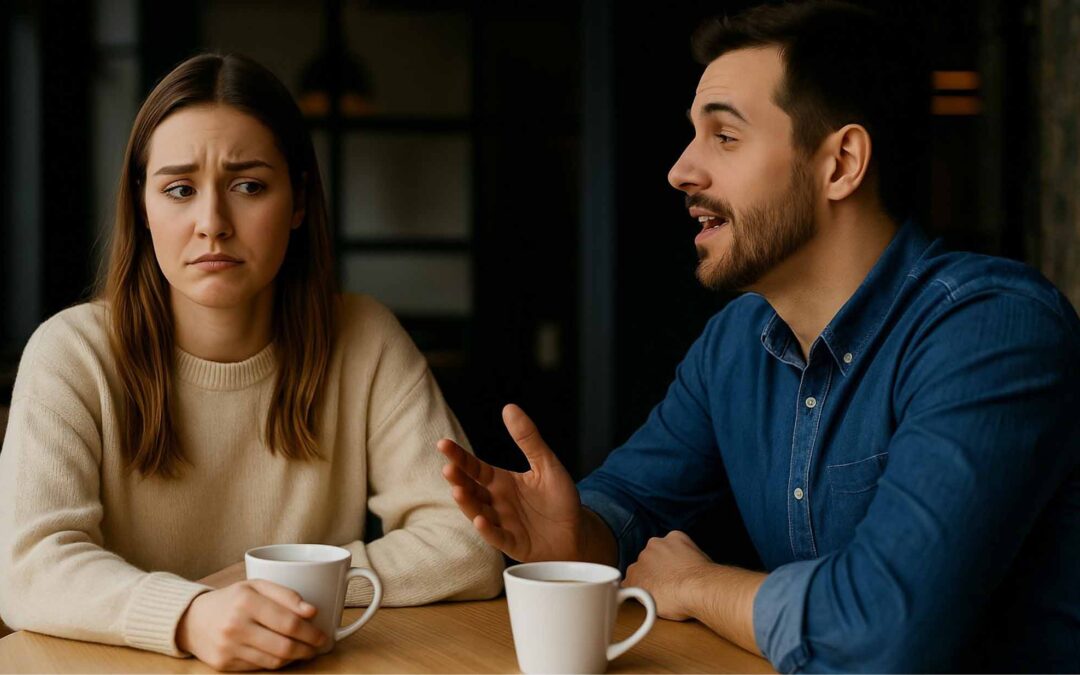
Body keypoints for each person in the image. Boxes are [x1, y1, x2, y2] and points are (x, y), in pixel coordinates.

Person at [439, 2, 1080, 671]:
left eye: (724, 137)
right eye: (693, 135)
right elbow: (632, 500)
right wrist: (576, 534)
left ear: (841, 164)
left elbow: (885, 629)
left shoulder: (992, 328)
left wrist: (697, 583)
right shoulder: (738, 341)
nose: (681, 170)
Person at [0, 53, 503, 672]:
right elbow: (30, 568)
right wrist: (191, 615)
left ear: (297, 203)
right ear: (142, 206)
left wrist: (272, 583)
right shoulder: (70, 354)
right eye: (179, 189)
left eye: (249, 186)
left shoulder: (363, 338)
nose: (213, 224)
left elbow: (467, 546)